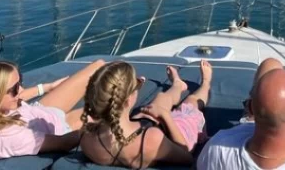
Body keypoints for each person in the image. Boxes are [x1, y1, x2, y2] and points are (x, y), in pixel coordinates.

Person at [0, 58, 106, 159]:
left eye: (19, 81)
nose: (20, 90)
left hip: (39, 110)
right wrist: (92, 126)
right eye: (14, 89)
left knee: (100, 66)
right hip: (59, 126)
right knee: (107, 107)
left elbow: (18, 98)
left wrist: (47, 88)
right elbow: (63, 142)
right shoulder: (6, 137)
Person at [80, 59, 212, 168]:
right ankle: (206, 83)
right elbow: (187, 157)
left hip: (141, 125)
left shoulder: (87, 139)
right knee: (192, 102)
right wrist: (165, 116)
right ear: (128, 100)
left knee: (160, 99)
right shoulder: (151, 139)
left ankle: (178, 85)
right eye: (137, 84)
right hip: (175, 134)